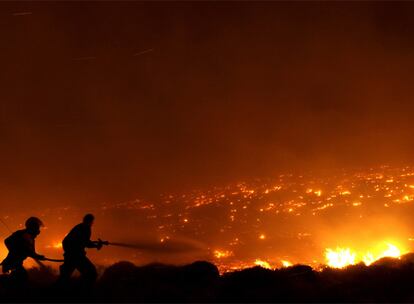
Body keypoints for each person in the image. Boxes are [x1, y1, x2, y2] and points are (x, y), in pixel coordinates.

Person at [57, 214, 106, 290]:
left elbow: (84, 241)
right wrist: (96, 245)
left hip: (72, 255)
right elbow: (86, 243)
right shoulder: (86, 228)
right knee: (91, 273)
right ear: (91, 221)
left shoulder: (79, 227)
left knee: (64, 278)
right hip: (77, 256)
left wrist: (96, 244)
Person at [1, 217, 45, 286]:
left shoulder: (32, 240)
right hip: (12, 263)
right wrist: (16, 250)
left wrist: (39, 256)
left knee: (21, 279)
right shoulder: (20, 234)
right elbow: (7, 241)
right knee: (22, 278)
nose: (37, 232)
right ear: (32, 228)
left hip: (18, 264)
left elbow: (32, 253)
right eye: (36, 229)